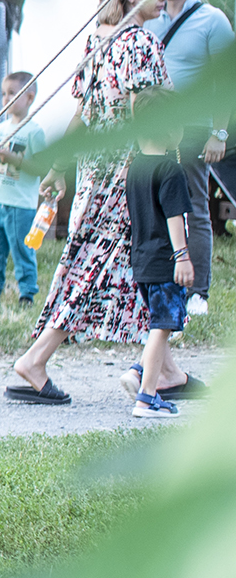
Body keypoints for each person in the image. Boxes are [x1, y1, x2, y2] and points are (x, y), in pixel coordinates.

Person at [8, 0, 174, 406]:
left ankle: (166, 368)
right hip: (127, 171)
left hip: (93, 170)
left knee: (109, 264)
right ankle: (36, 359)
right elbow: (148, 116)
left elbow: (83, 108)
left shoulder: (98, 40)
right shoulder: (142, 43)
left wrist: (61, 168)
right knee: (98, 268)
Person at [151, 0, 235, 308]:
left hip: (195, 129)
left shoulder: (212, 20)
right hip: (153, 129)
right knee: (155, 207)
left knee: (194, 208)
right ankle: (161, 286)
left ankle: (198, 290)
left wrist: (220, 131)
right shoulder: (151, 19)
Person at [121, 90, 195, 418]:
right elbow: (174, 218)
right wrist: (182, 256)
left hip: (142, 261)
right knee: (162, 326)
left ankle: (140, 372)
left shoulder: (135, 167)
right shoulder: (171, 170)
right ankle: (147, 397)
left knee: (159, 324)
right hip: (166, 261)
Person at [0, 71, 46, 308]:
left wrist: (12, 158)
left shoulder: (34, 131)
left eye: (12, 94)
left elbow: (40, 167)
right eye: (4, 94)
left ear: (29, 98)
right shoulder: (1, 129)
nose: (6, 99)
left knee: (22, 251)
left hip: (21, 203)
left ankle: (27, 293)